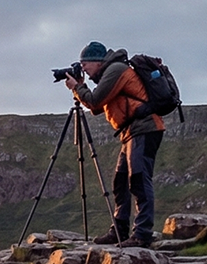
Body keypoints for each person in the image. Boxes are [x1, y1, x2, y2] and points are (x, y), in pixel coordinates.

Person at [65, 40, 165, 247]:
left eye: (85, 64)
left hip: (145, 129)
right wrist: (81, 88)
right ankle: (118, 231)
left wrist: (78, 87)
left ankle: (142, 234)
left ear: (98, 61)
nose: (83, 68)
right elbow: (96, 107)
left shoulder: (116, 70)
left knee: (138, 179)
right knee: (120, 182)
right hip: (130, 132)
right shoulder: (109, 73)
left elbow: (93, 101)